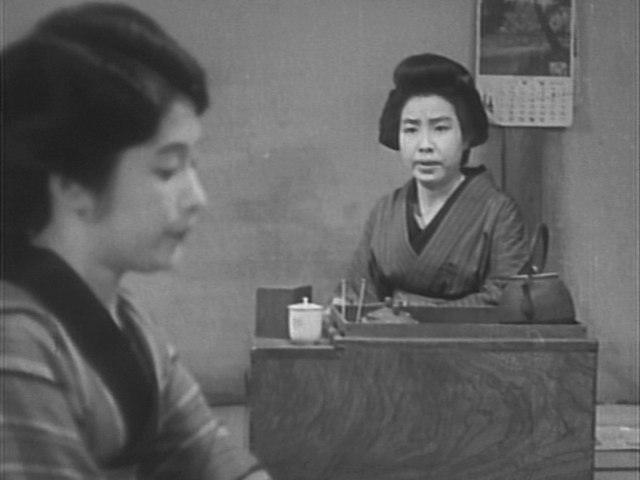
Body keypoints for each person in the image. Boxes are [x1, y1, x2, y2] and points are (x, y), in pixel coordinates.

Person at [1, 3, 271, 479]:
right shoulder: (16, 344)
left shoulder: (127, 321)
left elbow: (206, 452)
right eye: (167, 170)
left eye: (193, 165)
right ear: (73, 186)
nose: (197, 198)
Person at [335, 53, 529, 309]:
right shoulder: (385, 211)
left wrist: (416, 314)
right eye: (411, 129)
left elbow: (506, 297)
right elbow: (358, 295)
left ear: (467, 136)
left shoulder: (498, 211)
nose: (425, 145)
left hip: (469, 334)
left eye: (440, 128)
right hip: (387, 332)